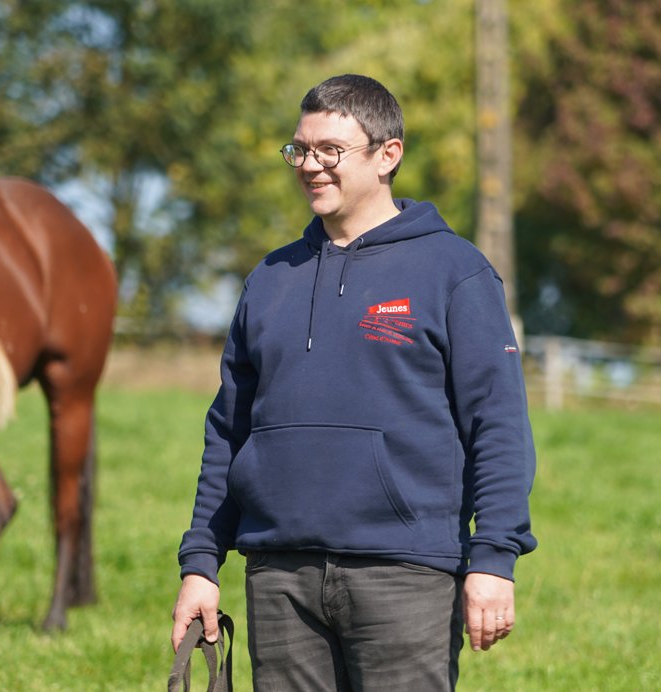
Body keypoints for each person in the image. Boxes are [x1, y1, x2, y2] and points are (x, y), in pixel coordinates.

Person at [171, 73, 536, 691]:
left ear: (387, 154)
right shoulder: (270, 278)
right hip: (279, 574)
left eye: (330, 151)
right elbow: (228, 431)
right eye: (300, 150)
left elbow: (497, 425)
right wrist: (201, 562)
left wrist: (495, 557)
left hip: (405, 572)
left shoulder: (455, 272)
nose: (310, 165)